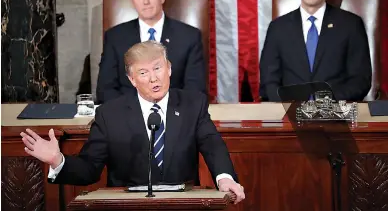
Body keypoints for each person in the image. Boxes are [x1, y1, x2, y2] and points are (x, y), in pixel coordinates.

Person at [20, 41, 245, 204]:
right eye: (144, 72)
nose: (154, 78)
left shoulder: (192, 104)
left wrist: (225, 179)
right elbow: (89, 169)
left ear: (169, 68)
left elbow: (212, 144)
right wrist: (57, 160)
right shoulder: (110, 114)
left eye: (158, 68)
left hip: (182, 204)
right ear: (132, 79)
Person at [259, 0, 372, 102]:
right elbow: (269, 80)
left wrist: (327, 103)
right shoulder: (278, 27)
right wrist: (286, 105)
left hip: (335, 114)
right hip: (290, 114)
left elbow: (360, 80)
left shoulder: (351, 25)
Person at [96, 0, 207, 104]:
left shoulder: (189, 36)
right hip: (127, 115)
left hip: (175, 114)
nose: (146, 1)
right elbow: (105, 89)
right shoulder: (115, 37)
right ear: (132, 1)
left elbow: (195, 90)